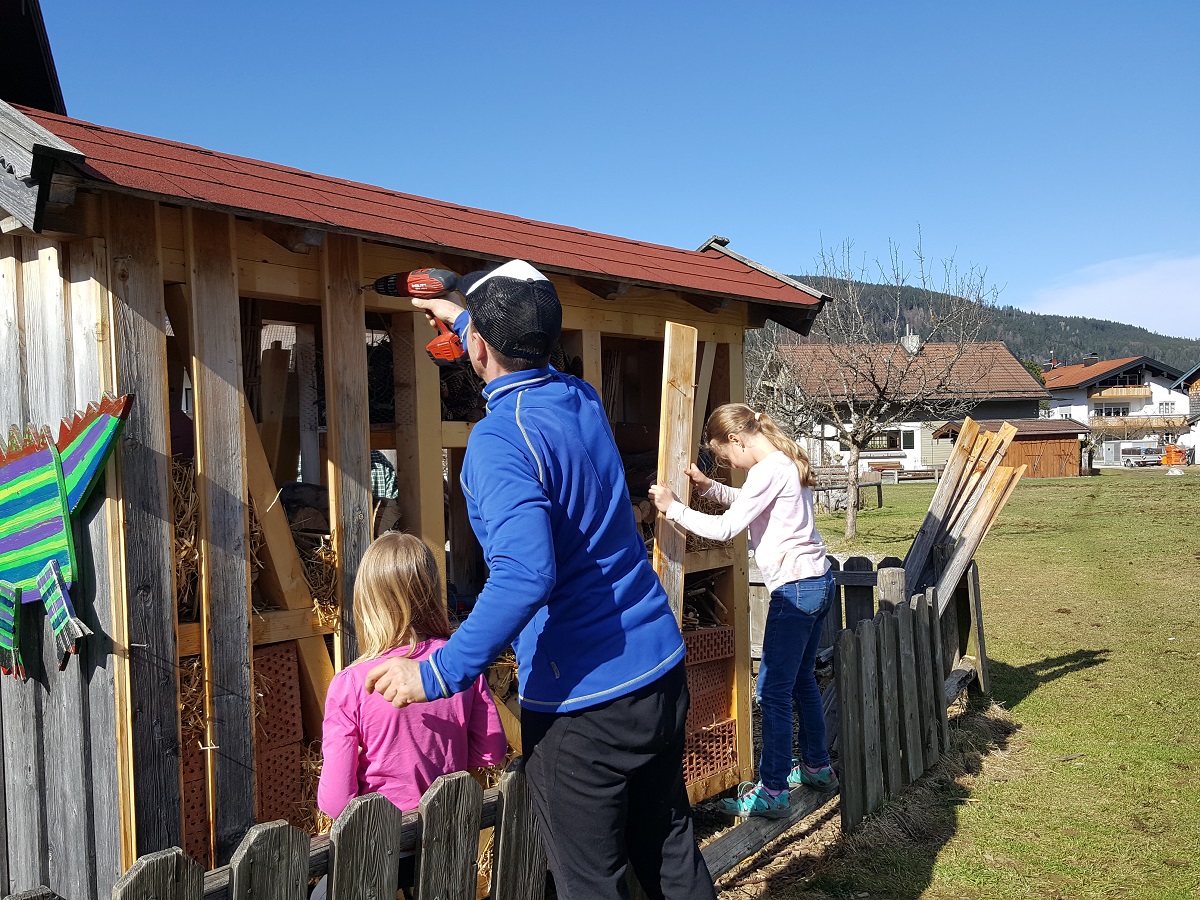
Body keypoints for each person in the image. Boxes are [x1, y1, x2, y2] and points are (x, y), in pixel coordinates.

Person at [363, 259, 716, 900]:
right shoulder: (579, 399)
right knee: (668, 849)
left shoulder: (500, 442)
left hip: (586, 701)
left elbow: (525, 576)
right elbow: (519, 354)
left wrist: (437, 673)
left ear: (476, 347)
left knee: (590, 883)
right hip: (658, 668)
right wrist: (466, 316)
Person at [649, 404, 838, 819]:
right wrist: (707, 487)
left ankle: (772, 791)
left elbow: (726, 528)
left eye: (722, 456)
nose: (725, 463)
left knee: (770, 691)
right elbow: (750, 502)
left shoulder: (768, 470)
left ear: (737, 439)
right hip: (819, 581)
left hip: (795, 590)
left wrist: (672, 508)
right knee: (803, 679)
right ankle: (816, 766)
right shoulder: (783, 460)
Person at [314, 532, 507, 896]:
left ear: (367, 601)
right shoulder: (456, 667)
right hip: (448, 837)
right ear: (432, 591)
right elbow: (492, 751)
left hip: (380, 848)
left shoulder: (352, 683)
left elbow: (336, 801)